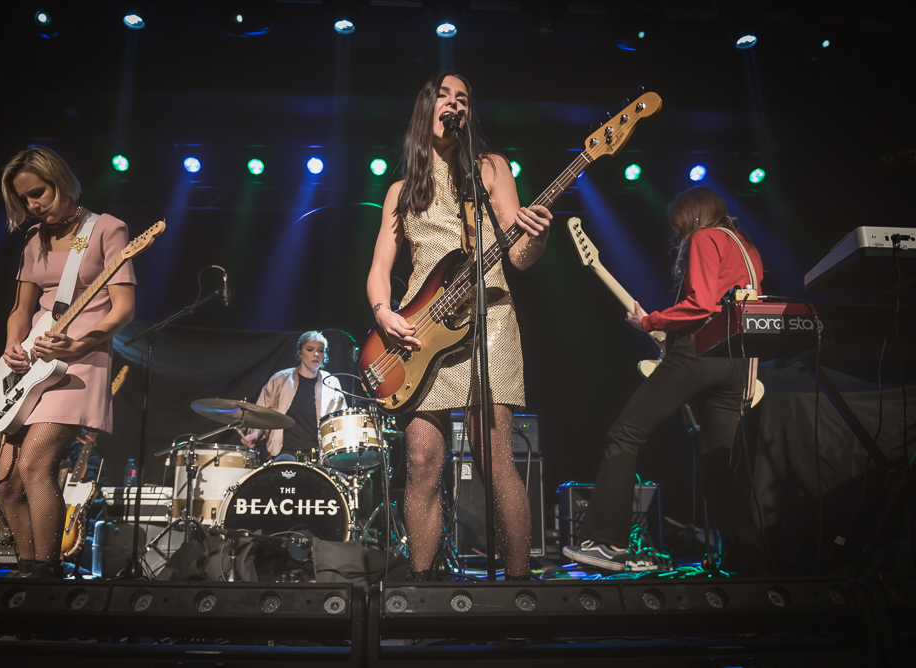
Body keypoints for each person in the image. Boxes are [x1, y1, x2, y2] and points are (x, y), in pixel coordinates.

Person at [366, 73, 552, 581]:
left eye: (463, 99)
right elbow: (380, 269)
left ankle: (519, 588)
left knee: (495, 458)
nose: (455, 104)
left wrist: (535, 237)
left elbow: (518, 253)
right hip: (421, 333)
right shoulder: (401, 191)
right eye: (444, 96)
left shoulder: (490, 168)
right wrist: (384, 312)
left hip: (487, 318)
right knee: (423, 462)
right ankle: (421, 592)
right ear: (426, 109)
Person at [563, 185, 771, 575]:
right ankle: (755, 563)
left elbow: (703, 305)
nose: (676, 232)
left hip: (700, 354)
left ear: (688, 216)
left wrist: (652, 321)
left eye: (677, 223)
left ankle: (607, 543)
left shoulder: (705, 237)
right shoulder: (747, 249)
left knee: (625, 435)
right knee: (717, 468)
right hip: (739, 364)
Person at [0, 146, 136, 578]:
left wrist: (79, 346)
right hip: (29, 363)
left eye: (38, 193)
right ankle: (26, 570)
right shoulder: (33, 238)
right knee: (6, 479)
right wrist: (11, 344)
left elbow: (122, 308)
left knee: (36, 463)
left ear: (62, 182)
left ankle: (48, 573)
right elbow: (22, 307)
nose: (32, 205)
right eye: (23, 200)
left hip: (80, 362)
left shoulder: (106, 229)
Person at [241, 331, 347, 462]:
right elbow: (262, 412)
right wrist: (255, 434)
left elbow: (341, 421)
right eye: (310, 349)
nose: (316, 354)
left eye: (320, 351)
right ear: (300, 353)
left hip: (318, 456)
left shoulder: (331, 383)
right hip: (284, 453)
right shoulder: (280, 379)